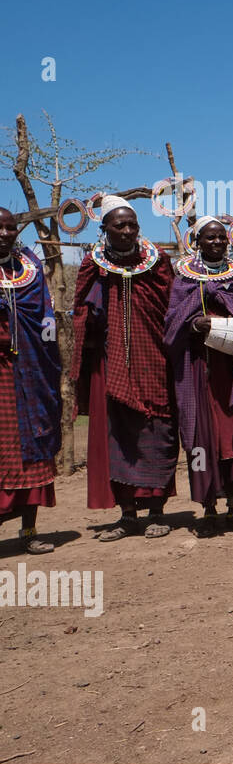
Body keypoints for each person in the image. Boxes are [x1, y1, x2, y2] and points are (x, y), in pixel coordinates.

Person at [72, 196, 177, 540]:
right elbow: (81, 312)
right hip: (110, 360)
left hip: (154, 360)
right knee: (118, 435)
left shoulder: (158, 261)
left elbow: (172, 308)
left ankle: (158, 511)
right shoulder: (94, 265)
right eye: (120, 225)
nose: (128, 231)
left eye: (132, 224)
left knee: (156, 430)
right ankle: (128, 514)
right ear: (105, 229)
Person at [165, 216, 233, 536]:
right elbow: (171, 323)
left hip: (232, 371)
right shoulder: (183, 276)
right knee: (202, 437)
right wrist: (194, 323)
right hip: (198, 368)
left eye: (221, 237)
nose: (217, 242)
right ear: (197, 242)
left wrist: (225, 306)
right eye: (209, 238)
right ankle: (209, 510)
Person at [0, 208, 61, 554]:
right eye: (0, 227)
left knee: (33, 448)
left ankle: (29, 531)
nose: (6, 233)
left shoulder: (30, 268)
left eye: (11, 228)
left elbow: (44, 315)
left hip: (32, 369)